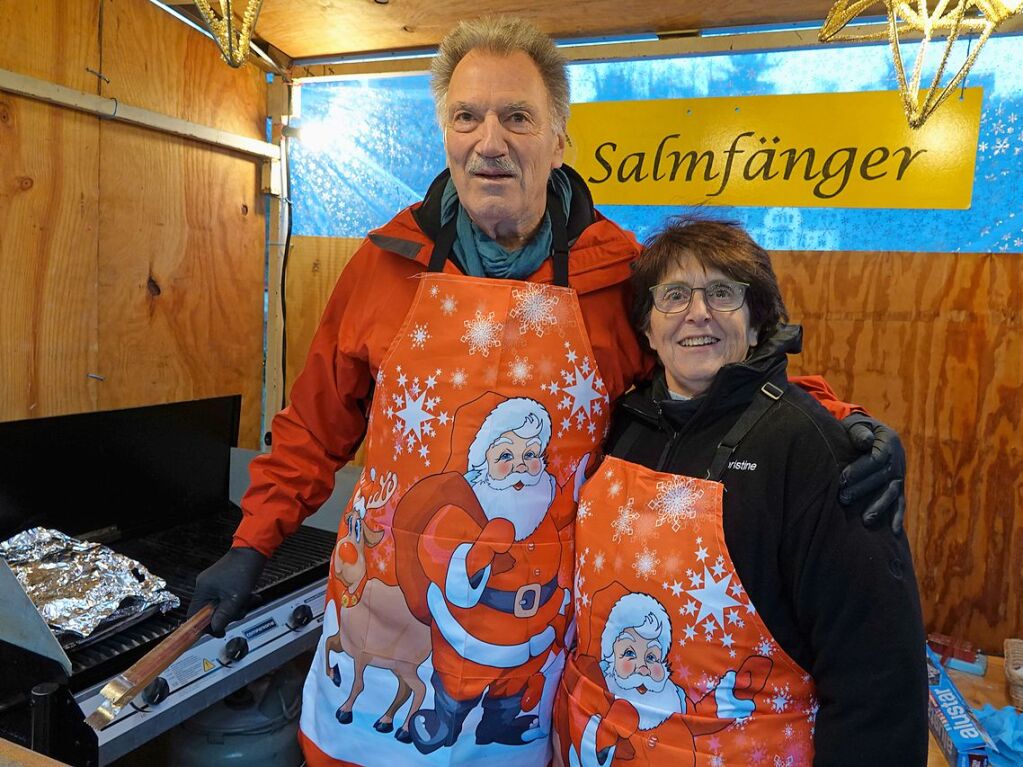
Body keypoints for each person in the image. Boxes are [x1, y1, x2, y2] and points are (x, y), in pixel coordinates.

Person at [189, 16, 908, 767]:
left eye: (516, 117)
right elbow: (311, 428)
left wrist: (839, 422)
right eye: (466, 116)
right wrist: (250, 542)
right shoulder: (380, 266)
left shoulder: (616, 276)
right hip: (387, 616)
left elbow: (714, 372)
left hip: (531, 644)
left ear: (558, 140)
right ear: (445, 133)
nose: (488, 141)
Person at [552, 217, 927, 767]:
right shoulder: (617, 425)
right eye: (674, 295)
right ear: (649, 330)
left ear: (756, 324)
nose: (697, 312)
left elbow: (878, 677)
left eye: (722, 293)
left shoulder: (810, 448)